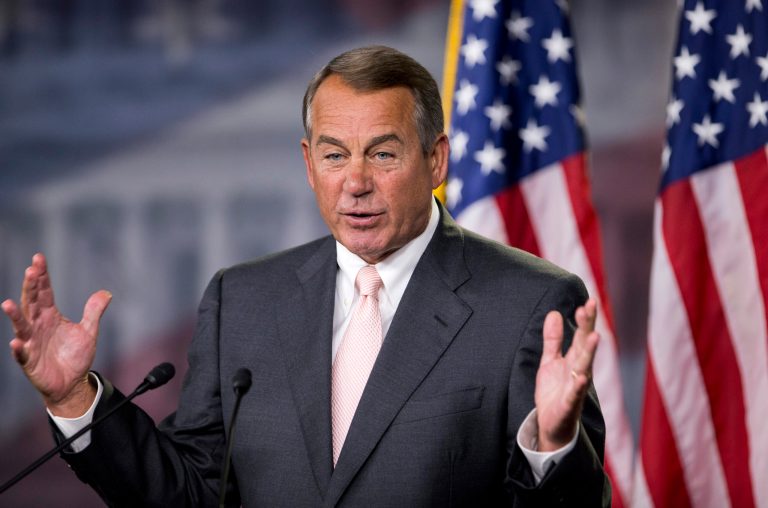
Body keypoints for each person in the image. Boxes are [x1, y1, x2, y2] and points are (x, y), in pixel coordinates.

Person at [2, 46, 609, 506]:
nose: (356, 182)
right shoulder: (242, 300)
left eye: (383, 153)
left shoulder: (529, 305)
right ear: (308, 162)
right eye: (335, 154)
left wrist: (552, 447)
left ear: (436, 160)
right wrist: (73, 398)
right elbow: (189, 492)